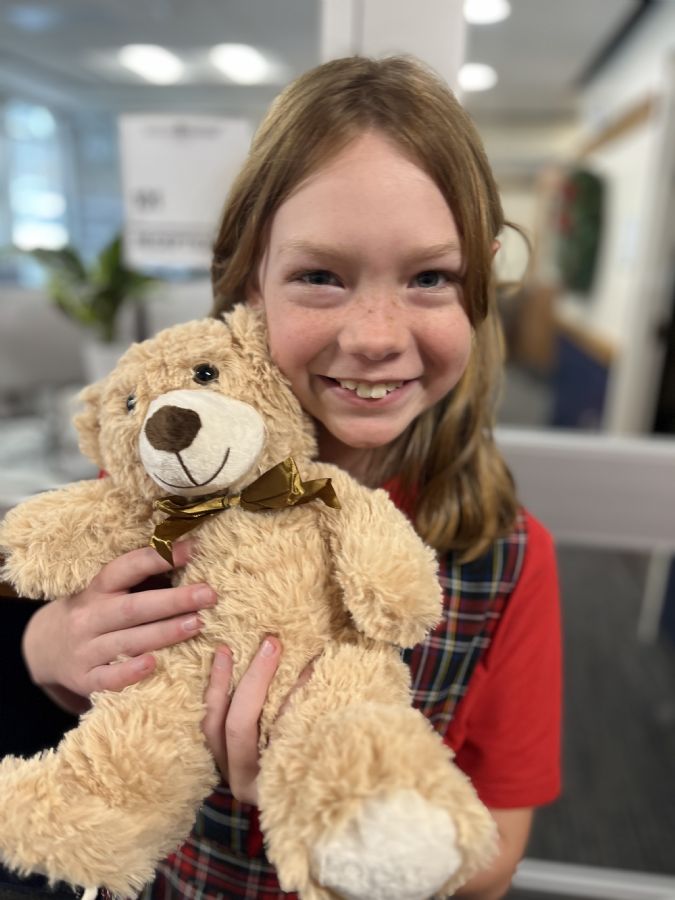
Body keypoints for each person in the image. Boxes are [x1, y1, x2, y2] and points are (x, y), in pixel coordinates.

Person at [20, 55, 561, 900]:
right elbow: (64, 680)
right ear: (250, 282)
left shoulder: (505, 558)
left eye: (429, 278)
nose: (376, 337)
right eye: (319, 277)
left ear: (479, 285)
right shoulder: (161, 482)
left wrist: (346, 828)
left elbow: (496, 852)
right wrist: (49, 649)